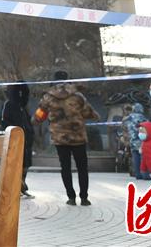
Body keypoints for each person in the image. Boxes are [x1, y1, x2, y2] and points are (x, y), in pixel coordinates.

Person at [33, 70, 100, 206]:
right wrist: (94, 116)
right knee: (82, 168)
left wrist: (35, 120)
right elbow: (88, 112)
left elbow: (39, 116)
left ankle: (71, 197)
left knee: (65, 167)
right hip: (78, 137)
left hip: (60, 138)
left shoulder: (47, 97)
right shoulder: (78, 96)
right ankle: (84, 198)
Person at [1, 83, 34, 198]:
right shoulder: (8, 104)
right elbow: (4, 121)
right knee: (16, 165)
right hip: (16, 140)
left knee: (26, 165)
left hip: (27, 140)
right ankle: (17, 188)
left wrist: (30, 132)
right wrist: (13, 133)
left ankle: (22, 186)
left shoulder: (23, 105)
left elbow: (28, 121)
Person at [122, 103, 148, 179]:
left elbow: (124, 128)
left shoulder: (127, 118)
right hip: (140, 140)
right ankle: (145, 174)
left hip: (131, 140)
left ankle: (137, 174)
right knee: (143, 157)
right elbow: (147, 126)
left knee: (135, 157)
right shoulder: (141, 117)